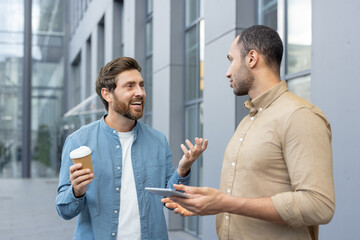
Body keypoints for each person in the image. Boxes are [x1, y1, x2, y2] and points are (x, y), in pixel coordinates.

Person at [162, 25, 335, 240]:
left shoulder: (300, 116)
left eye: (231, 60)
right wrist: (212, 205)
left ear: (252, 58)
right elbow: (249, 198)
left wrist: (225, 202)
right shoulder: (247, 121)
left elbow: (319, 205)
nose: (227, 72)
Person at [56, 57, 208, 240]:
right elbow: (64, 210)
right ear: (107, 94)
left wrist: (183, 169)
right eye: (130, 86)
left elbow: (171, 201)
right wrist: (76, 191)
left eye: (141, 85)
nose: (140, 92)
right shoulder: (79, 141)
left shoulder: (158, 140)